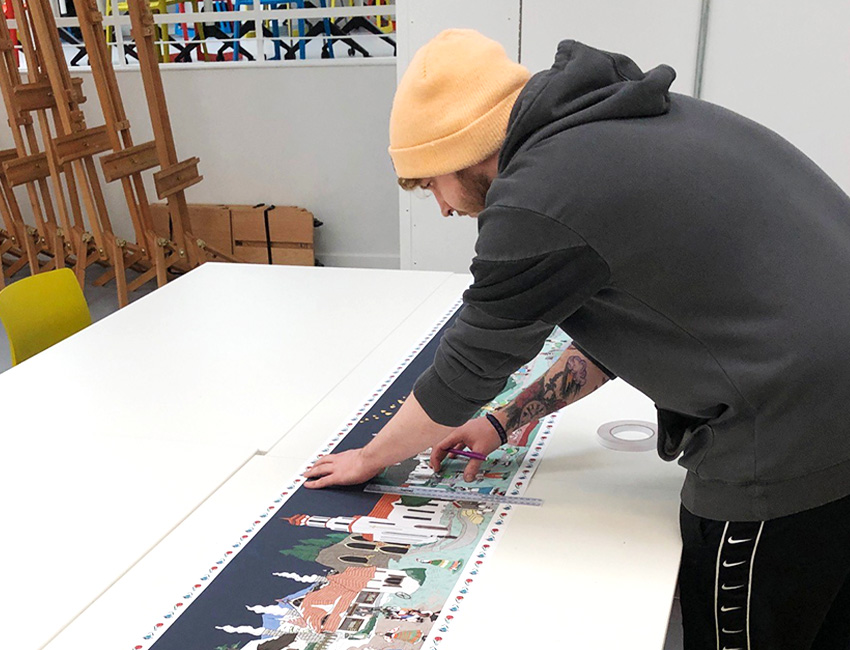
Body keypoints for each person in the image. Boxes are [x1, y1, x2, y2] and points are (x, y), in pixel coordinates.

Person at [304, 29, 850, 649]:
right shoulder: (612, 126)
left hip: (790, 434)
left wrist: (371, 457)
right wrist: (505, 421)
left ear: (462, 151)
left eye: (430, 183)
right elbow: (640, 321)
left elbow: (468, 366)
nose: (443, 209)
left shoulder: (539, 195)